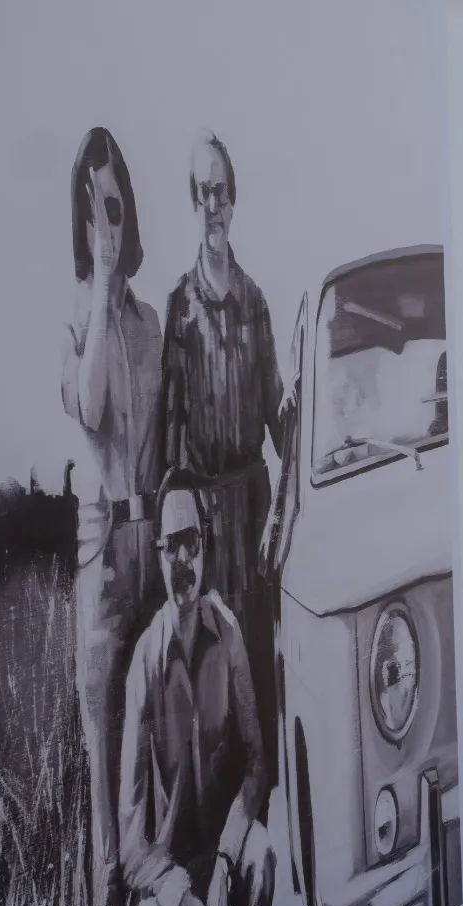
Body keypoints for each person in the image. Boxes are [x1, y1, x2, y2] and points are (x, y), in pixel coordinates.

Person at [118, 470, 275, 906]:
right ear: (158, 554)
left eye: (193, 543)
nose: (183, 559)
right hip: (172, 871)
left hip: (222, 851)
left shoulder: (227, 633)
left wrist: (230, 857)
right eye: (171, 545)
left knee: (265, 859)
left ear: (205, 549)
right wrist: (178, 894)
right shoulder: (143, 663)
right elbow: (131, 833)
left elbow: (258, 762)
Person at [58, 127, 164, 906]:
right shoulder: (75, 330)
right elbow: (91, 408)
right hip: (100, 562)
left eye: (117, 200)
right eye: (96, 205)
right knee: (104, 763)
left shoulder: (151, 325)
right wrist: (97, 289)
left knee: (156, 747)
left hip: (154, 543)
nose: (110, 221)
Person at [159, 131, 287, 797]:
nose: (213, 204)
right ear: (193, 202)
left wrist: (301, 473)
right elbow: (172, 441)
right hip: (206, 527)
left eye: (221, 191)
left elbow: (277, 412)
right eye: (202, 192)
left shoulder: (257, 302)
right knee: (214, 689)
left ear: (234, 200)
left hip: (255, 516)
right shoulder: (180, 310)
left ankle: (265, 831)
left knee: (260, 677)